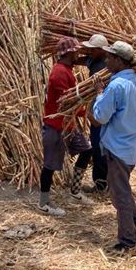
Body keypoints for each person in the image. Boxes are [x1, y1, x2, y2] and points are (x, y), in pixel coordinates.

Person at [91, 41, 136, 252]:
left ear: (119, 61)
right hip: (131, 145)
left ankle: (127, 240)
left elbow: (100, 117)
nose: (106, 61)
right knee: (124, 188)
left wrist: (98, 93)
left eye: (110, 57)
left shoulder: (115, 86)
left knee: (119, 194)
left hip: (117, 147)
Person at [39, 37, 96, 216]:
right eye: (76, 51)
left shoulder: (66, 70)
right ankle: (44, 202)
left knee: (87, 151)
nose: (78, 54)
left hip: (68, 125)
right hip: (56, 126)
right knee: (49, 165)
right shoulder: (59, 73)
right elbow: (67, 102)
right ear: (69, 53)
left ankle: (75, 191)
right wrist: (85, 107)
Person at [76, 34, 109, 193]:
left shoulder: (106, 67)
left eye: (93, 50)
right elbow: (83, 60)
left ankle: (102, 183)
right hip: (97, 110)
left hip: (103, 114)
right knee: (97, 146)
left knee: (100, 147)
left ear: (102, 50)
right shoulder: (95, 60)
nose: (90, 52)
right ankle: (102, 182)